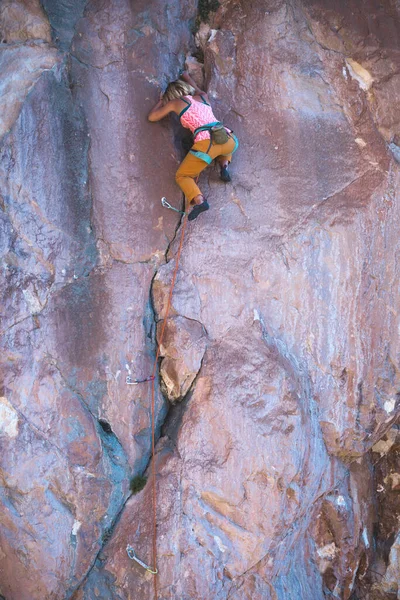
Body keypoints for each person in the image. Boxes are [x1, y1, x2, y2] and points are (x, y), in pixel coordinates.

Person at [148, 71, 238, 221]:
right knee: (223, 145)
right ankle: (224, 165)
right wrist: (187, 77)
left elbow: (152, 117)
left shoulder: (175, 103)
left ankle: (199, 201)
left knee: (182, 175)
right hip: (230, 140)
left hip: (206, 145)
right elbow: (196, 88)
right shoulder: (202, 96)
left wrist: (161, 100)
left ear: (171, 96)